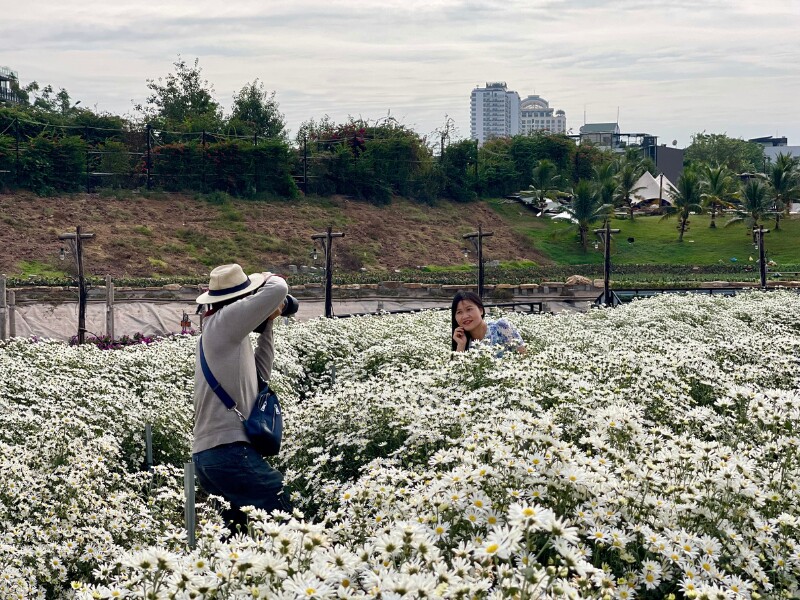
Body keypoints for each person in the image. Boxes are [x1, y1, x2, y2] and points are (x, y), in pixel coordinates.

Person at [192, 263, 291, 532]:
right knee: (282, 511)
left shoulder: (225, 333)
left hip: (214, 457)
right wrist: (266, 279)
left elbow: (261, 376)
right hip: (228, 452)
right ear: (239, 299)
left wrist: (268, 323)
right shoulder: (224, 321)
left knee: (237, 534)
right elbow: (279, 287)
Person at [451, 290, 525, 354]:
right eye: (459, 312)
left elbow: (524, 356)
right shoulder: (463, 340)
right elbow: (457, 369)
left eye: (469, 309)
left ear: (481, 310)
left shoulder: (501, 327)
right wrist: (461, 345)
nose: (465, 316)